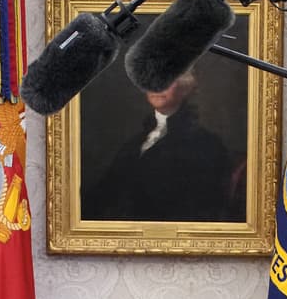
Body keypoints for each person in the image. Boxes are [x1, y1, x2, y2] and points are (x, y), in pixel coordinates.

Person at [83, 70, 242, 224]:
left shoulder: (206, 144)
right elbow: (105, 192)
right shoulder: (134, 143)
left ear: (185, 87)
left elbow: (202, 209)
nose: (157, 87)